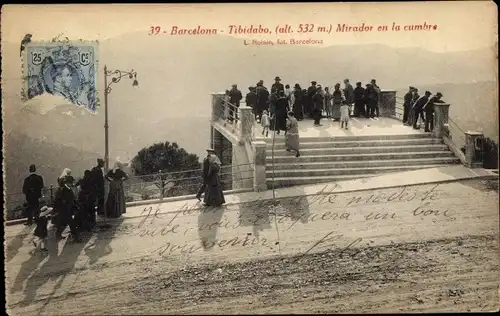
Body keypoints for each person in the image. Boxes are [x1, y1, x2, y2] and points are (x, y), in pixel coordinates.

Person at [52, 172, 77, 241]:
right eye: (71, 182)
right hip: (65, 210)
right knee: (69, 224)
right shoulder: (64, 190)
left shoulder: (66, 189)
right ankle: (75, 237)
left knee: (64, 224)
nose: (72, 184)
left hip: (66, 210)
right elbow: (62, 200)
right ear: (67, 182)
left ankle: (58, 235)